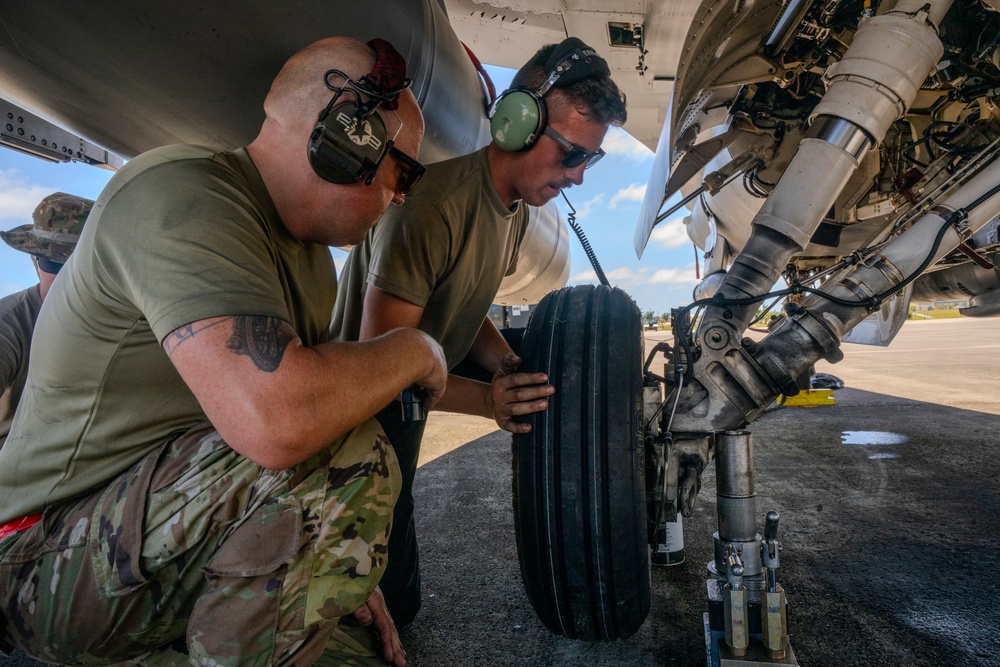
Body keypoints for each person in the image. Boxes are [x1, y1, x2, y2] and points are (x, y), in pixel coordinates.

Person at [0, 36, 447, 667]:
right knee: (349, 454)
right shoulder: (181, 196)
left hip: (149, 543)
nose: (401, 196)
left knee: (362, 653)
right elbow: (282, 422)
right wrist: (416, 348)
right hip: (42, 559)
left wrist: (338, 559)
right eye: (403, 173)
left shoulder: (309, 262)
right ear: (348, 147)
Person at [330, 36, 628, 626]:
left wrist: (503, 364)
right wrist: (488, 402)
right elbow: (376, 370)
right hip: (352, 432)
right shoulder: (431, 209)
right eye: (571, 153)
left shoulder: (511, 212)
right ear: (515, 123)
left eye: (589, 160)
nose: (578, 176)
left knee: (398, 604)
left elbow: (465, 307)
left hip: (401, 422)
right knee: (375, 618)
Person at [0, 192, 93, 449]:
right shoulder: (8, 323)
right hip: (17, 463)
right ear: (35, 262)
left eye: (79, 264)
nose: (67, 276)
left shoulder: (121, 317)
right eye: (53, 263)